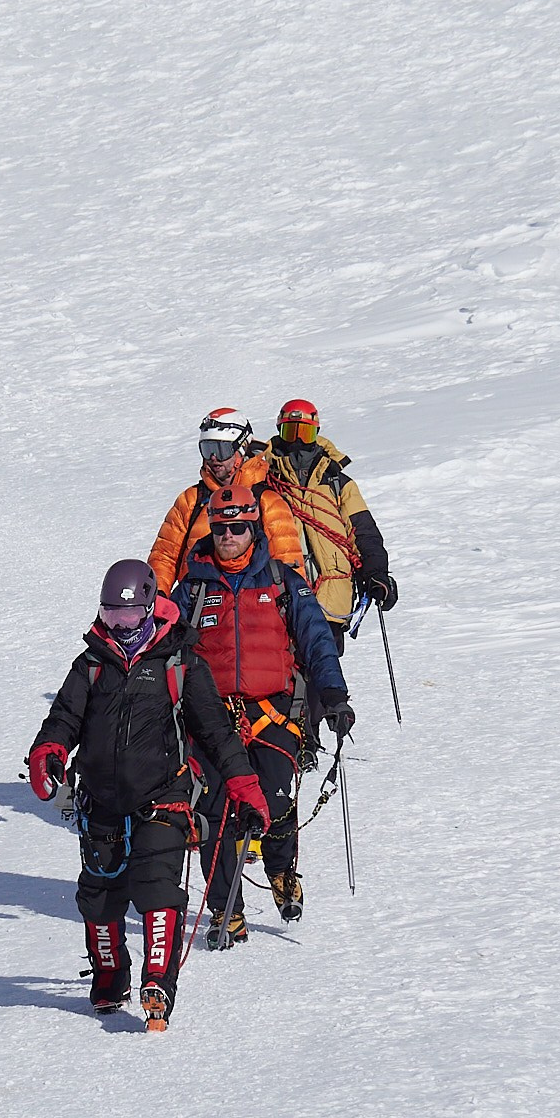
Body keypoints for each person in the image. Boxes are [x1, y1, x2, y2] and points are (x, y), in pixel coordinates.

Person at [27, 559, 269, 1030]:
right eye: (111, 615)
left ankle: (158, 980)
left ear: (151, 609)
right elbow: (63, 718)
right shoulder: (92, 663)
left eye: (131, 616)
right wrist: (49, 751)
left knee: (157, 887)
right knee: (98, 897)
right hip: (100, 799)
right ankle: (110, 974)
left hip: (165, 796)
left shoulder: (180, 663)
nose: (121, 626)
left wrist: (244, 785)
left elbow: (218, 734)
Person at [169, 487, 352, 945]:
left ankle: (281, 870)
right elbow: (162, 650)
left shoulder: (283, 582)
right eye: (220, 527)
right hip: (209, 718)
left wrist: (333, 695)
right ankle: (225, 909)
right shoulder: (190, 589)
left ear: (254, 528)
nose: (228, 536)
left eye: (237, 528)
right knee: (215, 811)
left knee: (272, 798)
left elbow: (316, 641)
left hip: (273, 714)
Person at [265, 399, 397, 653]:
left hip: (331, 599)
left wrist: (376, 573)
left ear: (316, 432)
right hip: (279, 599)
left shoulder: (338, 482)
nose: (298, 442)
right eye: (290, 432)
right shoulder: (264, 478)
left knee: (324, 679)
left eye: (305, 433)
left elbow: (364, 532)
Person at [147, 408, 305, 595]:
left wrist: (294, 606)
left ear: (241, 448)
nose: (213, 458)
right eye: (207, 449)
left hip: (254, 606)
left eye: (221, 449)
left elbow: (288, 563)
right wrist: (158, 598)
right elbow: (165, 556)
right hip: (196, 608)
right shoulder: (191, 500)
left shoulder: (267, 501)